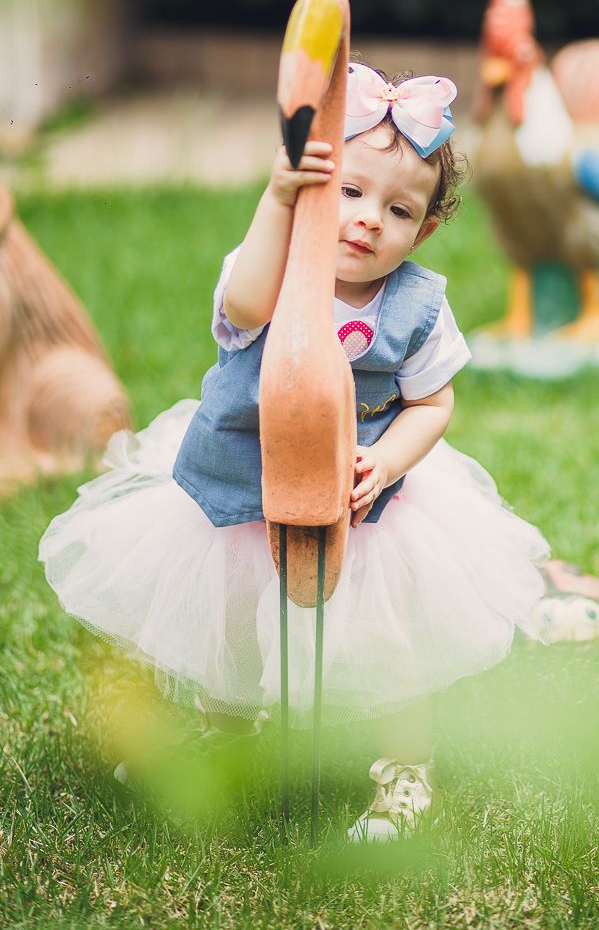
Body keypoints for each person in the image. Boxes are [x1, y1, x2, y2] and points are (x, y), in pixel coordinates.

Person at [39, 63, 550, 841]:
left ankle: (405, 770)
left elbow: (433, 402)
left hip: (361, 502)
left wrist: (390, 460)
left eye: (399, 208)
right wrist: (276, 199)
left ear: (426, 229)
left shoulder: (417, 305)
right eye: (347, 192)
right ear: (312, 191)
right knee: (233, 614)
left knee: (386, 637)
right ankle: (225, 732)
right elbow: (241, 306)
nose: (369, 219)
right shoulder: (271, 269)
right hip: (243, 484)